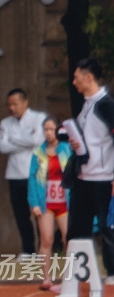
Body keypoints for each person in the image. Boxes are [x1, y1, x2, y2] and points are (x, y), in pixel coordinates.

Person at [67, 58, 114, 284]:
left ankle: (112, 273)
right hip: (83, 177)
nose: (73, 82)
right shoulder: (86, 105)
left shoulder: (106, 105)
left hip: (104, 178)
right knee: (78, 226)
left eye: (77, 77)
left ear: (89, 77)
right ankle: (77, 275)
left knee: (107, 226)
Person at [0, 88, 46, 260]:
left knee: (39, 212)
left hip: (35, 173)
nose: (12, 108)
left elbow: (38, 141)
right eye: (9, 104)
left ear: (25, 102)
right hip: (14, 174)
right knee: (20, 214)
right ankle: (28, 249)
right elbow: (2, 146)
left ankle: (43, 248)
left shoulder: (38, 118)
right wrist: (26, 140)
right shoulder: (5, 122)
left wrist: (14, 139)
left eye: (15, 104)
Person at [28, 116, 71, 290]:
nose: (48, 133)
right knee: (46, 239)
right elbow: (32, 178)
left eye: (51, 129)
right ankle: (46, 277)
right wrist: (34, 204)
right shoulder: (38, 153)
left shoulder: (67, 149)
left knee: (67, 238)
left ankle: (68, 277)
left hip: (64, 202)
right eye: (45, 129)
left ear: (58, 130)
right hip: (45, 202)